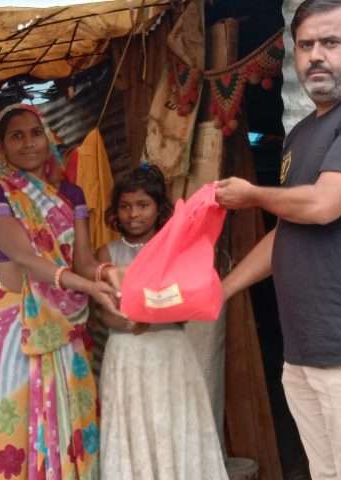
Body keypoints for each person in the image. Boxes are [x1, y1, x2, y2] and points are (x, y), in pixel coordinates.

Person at [215, 1, 341, 479]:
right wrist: (221, 289)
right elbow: (289, 230)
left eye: (330, 42)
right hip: (304, 348)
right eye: (305, 45)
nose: (315, 56)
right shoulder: (300, 134)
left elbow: (324, 205)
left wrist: (252, 195)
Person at [0, 103, 124, 480]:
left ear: (48, 138)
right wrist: (86, 285)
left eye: (35, 133)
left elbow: (84, 260)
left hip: (65, 324)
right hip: (17, 329)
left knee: (75, 419)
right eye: (17, 136)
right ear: (3, 147)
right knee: (18, 426)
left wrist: (110, 273)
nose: (28, 143)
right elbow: (25, 259)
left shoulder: (71, 194)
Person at [95, 164, 229, 480]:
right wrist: (129, 323)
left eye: (143, 205)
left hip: (169, 352)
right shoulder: (107, 253)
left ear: (159, 208)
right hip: (126, 353)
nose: (133, 214)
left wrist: (151, 314)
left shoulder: (175, 250)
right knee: (134, 424)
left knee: (171, 421)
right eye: (125, 206)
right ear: (115, 211)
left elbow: (186, 302)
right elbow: (101, 310)